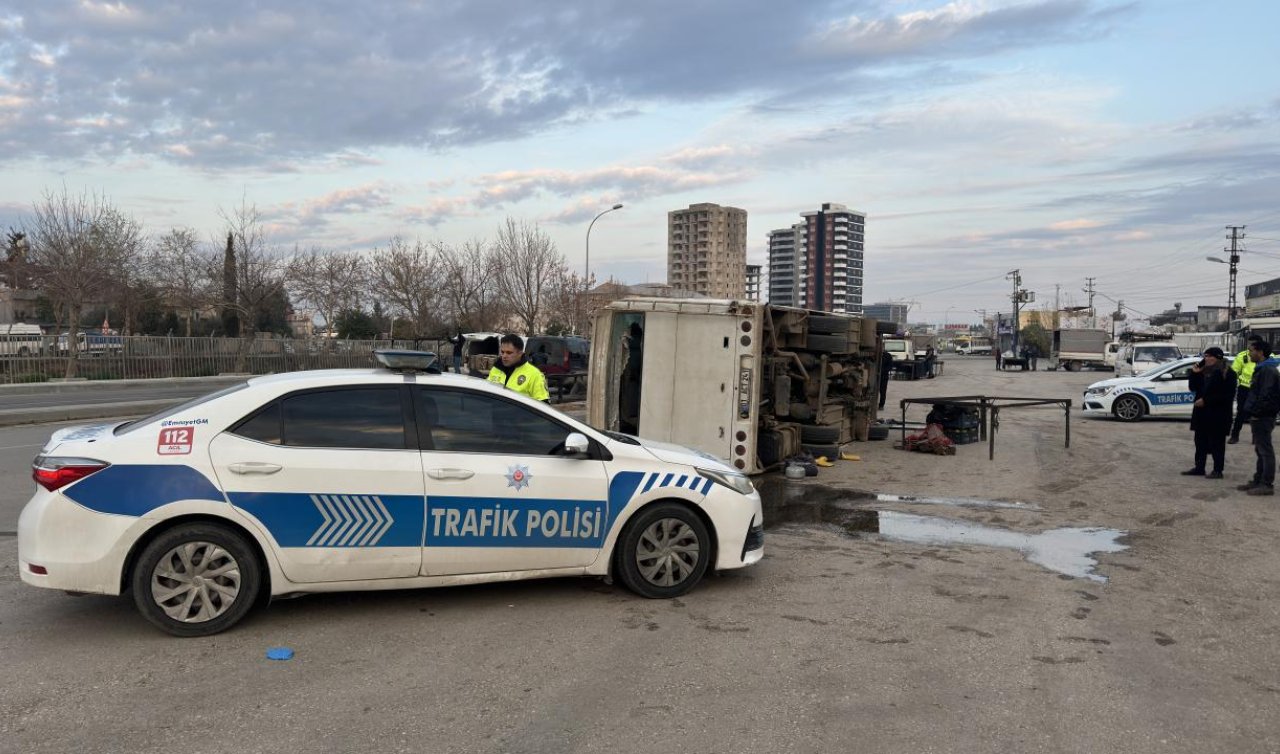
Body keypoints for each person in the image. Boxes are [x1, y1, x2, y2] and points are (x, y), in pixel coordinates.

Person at [1183, 347, 1236, 479]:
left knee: (1217, 444)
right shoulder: (1203, 371)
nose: (1207, 359)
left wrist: (1206, 401)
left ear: (1218, 358)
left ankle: (1218, 470)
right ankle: (1199, 467)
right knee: (1200, 442)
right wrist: (1194, 373)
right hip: (1202, 414)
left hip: (1218, 414)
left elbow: (1227, 396)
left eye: (1210, 356)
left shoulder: (1228, 373)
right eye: (1205, 356)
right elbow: (1192, 388)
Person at [1238, 339, 1280, 496]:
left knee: (1265, 450)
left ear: (1260, 352)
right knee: (1260, 449)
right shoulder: (1262, 368)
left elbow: (1265, 395)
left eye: (1251, 351)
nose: (1249, 354)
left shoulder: (1268, 370)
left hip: (1263, 415)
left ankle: (1266, 484)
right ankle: (1258, 480)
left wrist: (1256, 412)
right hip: (1259, 414)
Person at [486, 334, 550, 402]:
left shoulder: (534, 374)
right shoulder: (496, 369)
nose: (504, 356)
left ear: (520, 353)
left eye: (509, 353)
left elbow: (543, 405)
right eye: (502, 352)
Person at [1229, 336, 1266, 444]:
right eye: (1249, 344)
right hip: (1244, 388)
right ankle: (1235, 436)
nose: (1249, 346)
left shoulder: (1268, 356)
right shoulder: (1242, 356)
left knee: (1258, 413)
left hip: (1259, 389)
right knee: (1241, 413)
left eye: (1252, 344)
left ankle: (1256, 436)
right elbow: (1234, 371)